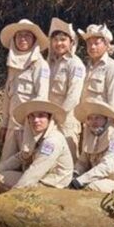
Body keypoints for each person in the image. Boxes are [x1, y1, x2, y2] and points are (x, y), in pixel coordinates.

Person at [0, 19, 51, 161]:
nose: (23, 39)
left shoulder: (40, 65)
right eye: (19, 35)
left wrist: (35, 127)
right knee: (5, 163)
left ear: (34, 39)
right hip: (12, 126)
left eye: (27, 35)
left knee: (26, 165)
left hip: (29, 126)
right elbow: (8, 96)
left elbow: (41, 98)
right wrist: (4, 124)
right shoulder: (12, 64)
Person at [0, 99, 74, 191]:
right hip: (40, 177)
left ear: (49, 119)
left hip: (52, 184)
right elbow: (20, 157)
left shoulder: (52, 141)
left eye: (41, 116)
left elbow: (36, 170)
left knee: (1, 180)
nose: (36, 120)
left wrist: (16, 191)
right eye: (32, 116)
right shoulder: (34, 137)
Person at [70, 100, 114, 194]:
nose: (93, 122)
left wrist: (80, 180)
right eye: (90, 118)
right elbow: (83, 162)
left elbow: (107, 166)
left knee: (91, 187)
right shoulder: (90, 136)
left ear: (106, 119)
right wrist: (75, 173)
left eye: (97, 118)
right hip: (101, 179)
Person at [46, 18, 85, 160]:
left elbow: (73, 95)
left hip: (67, 118)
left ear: (71, 42)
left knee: (69, 157)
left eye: (63, 39)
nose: (59, 43)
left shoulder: (75, 64)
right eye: (55, 40)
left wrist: (59, 115)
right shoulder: (50, 62)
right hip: (50, 117)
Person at [78, 24, 114, 113]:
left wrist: (109, 124)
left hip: (102, 121)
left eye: (96, 43)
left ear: (106, 44)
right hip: (86, 120)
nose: (92, 47)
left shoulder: (112, 68)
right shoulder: (86, 67)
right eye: (89, 43)